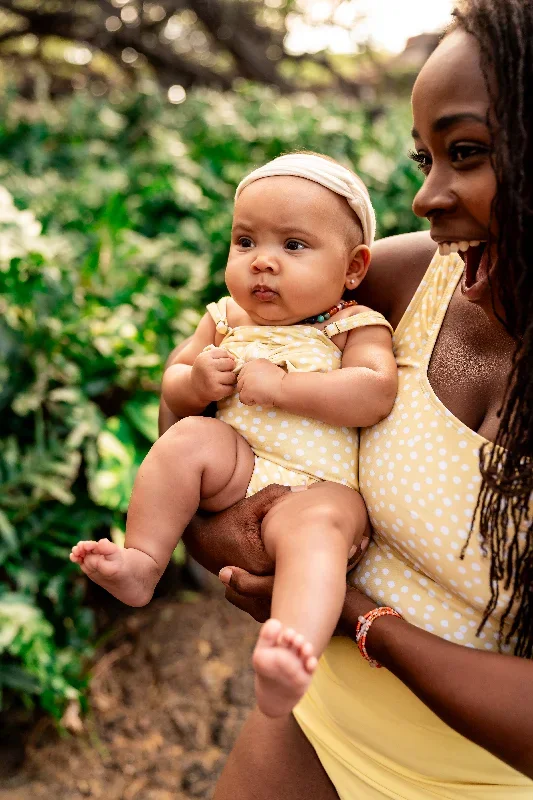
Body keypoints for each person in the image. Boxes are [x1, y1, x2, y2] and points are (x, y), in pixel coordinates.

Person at [164, 1, 533, 797]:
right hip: (310, 731)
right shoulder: (411, 279)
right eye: (422, 160)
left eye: (464, 152)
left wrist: (359, 619)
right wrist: (229, 526)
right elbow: (198, 417)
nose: (426, 198)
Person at [71, 153, 398, 717]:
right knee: (190, 438)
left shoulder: (353, 325)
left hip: (316, 488)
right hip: (239, 466)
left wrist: (284, 389)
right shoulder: (224, 318)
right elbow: (173, 385)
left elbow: (375, 392)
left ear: (352, 267)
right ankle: (144, 561)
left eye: (293, 246)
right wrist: (196, 382)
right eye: (245, 242)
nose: (262, 263)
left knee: (320, 528)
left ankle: (292, 650)